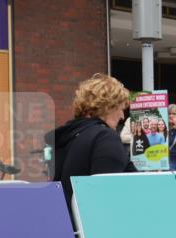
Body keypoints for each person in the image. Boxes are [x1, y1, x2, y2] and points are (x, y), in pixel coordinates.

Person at [49, 74, 134, 210]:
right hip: (91, 227)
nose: (122, 116)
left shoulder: (67, 136)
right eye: (121, 109)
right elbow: (108, 196)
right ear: (108, 106)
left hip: (64, 223)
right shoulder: (104, 137)